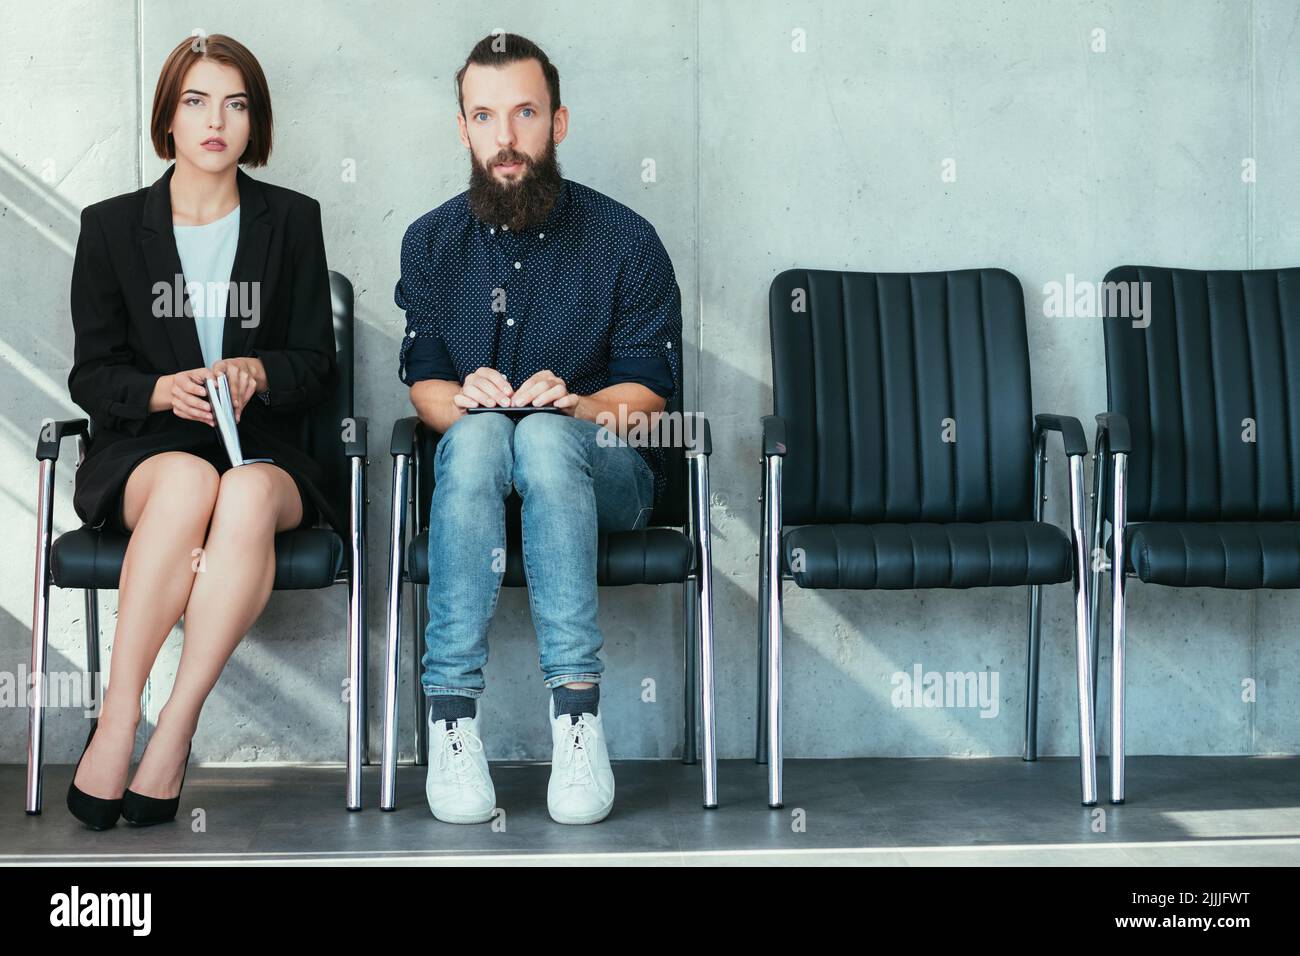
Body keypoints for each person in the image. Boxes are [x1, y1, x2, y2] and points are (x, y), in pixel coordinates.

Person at [395, 33, 682, 825]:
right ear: (463, 129)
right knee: (485, 433)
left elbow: (650, 397)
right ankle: (452, 723)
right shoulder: (429, 242)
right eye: (485, 116)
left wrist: (576, 406)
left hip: (603, 479)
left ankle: (577, 719)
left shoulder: (626, 239)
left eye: (524, 113)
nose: (506, 136)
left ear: (558, 122)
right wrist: (469, 398)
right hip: (475, 485)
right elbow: (424, 388)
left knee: (546, 437)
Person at [64, 33, 342, 830]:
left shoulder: (291, 220)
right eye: (196, 101)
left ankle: (175, 726)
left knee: (243, 491)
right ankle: (121, 721)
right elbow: (92, 374)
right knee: (191, 481)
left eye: (236, 102)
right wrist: (158, 389)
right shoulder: (112, 227)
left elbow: (314, 363)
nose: (216, 119)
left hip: (264, 449)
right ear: (169, 119)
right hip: (150, 451)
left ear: (255, 122)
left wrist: (258, 370)